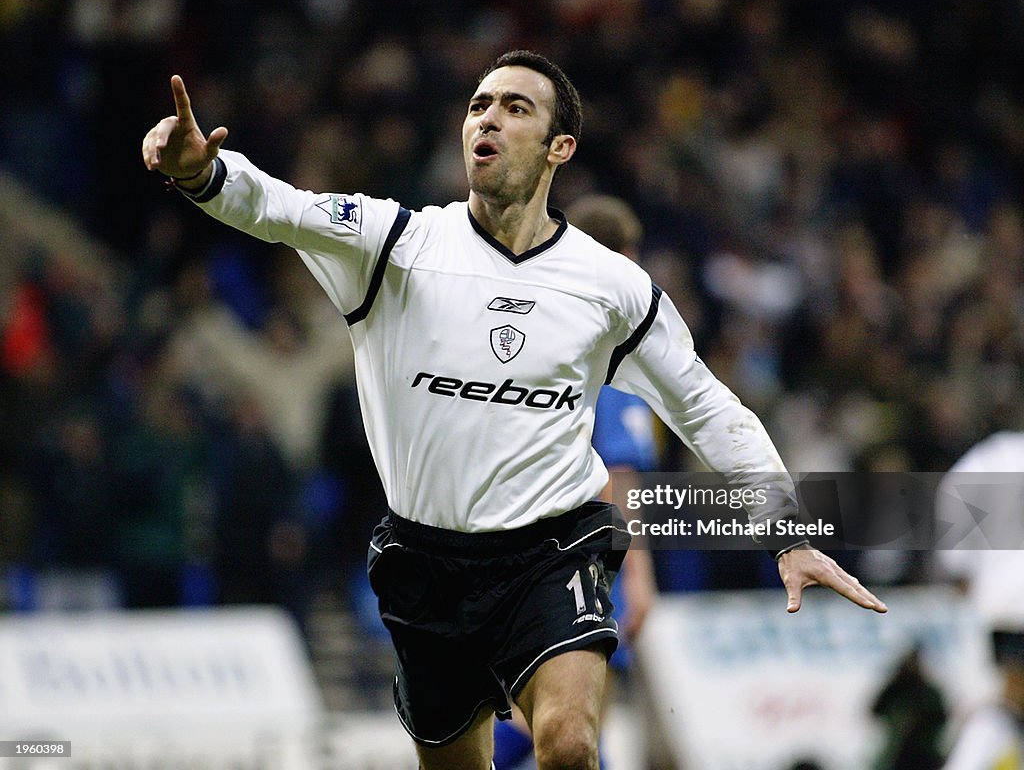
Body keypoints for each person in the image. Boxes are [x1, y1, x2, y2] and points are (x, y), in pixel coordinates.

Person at [141, 49, 886, 770]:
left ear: (560, 146)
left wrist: (785, 531)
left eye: (514, 107)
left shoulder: (611, 285)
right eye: (477, 106)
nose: (487, 120)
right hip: (426, 560)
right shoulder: (396, 242)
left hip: (552, 549)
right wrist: (203, 173)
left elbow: (706, 406)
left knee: (564, 743)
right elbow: (278, 207)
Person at [492, 195, 658, 770]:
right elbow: (618, 479)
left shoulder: (538, 337)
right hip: (583, 565)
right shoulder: (607, 356)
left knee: (555, 725)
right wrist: (637, 580)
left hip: (523, 555)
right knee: (571, 728)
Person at [934, 431, 1024, 769]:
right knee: (1004, 707)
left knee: (998, 705)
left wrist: (963, 568)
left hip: (1000, 607)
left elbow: (949, 508)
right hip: (1005, 610)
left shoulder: (991, 456)